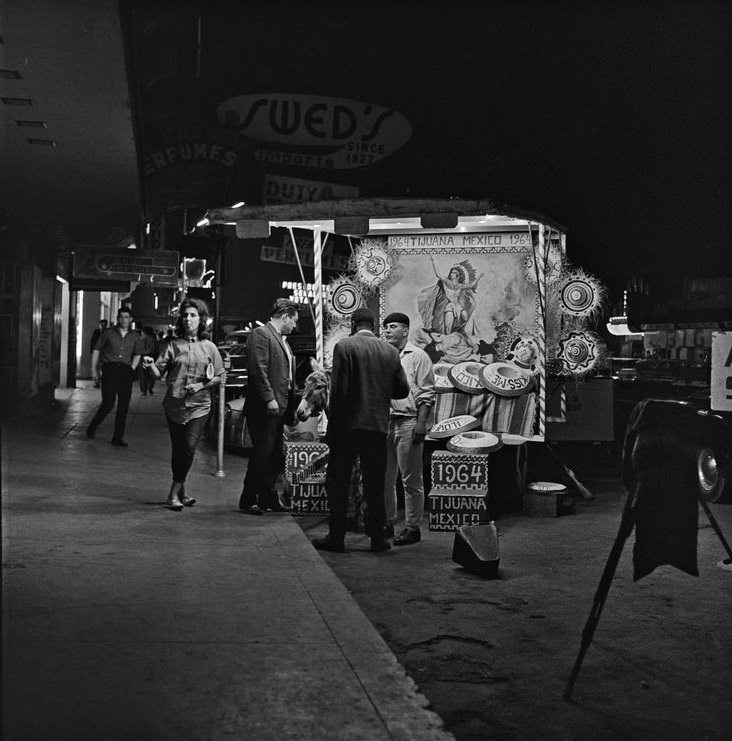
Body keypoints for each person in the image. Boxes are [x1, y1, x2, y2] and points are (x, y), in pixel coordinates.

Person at [313, 308, 409, 554]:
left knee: (339, 484)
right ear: (373, 325)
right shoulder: (390, 351)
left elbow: (340, 391)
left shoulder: (344, 347)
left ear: (353, 324)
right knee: (375, 485)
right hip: (377, 427)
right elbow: (402, 391)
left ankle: (337, 538)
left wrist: (332, 428)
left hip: (348, 428)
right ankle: (378, 539)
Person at [143, 298, 224, 511]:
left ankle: (172, 493)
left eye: (193, 315)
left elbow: (219, 377)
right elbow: (158, 374)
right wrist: (150, 365)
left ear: (201, 320)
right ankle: (183, 492)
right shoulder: (173, 345)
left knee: (188, 447)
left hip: (199, 407)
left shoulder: (210, 348)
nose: (188, 319)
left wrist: (200, 386)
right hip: (174, 406)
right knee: (179, 450)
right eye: (185, 315)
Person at [238, 298, 299, 515]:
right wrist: (269, 398)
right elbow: (258, 370)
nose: (295, 326)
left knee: (274, 456)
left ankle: (268, 497)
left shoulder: (282, 340)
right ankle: (248, 498)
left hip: (279, 408)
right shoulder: (261, 335)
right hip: (265, 408)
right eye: (294, 321)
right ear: (285, 317)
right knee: (262, 454)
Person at [382, 312, 436, 546]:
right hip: (385, 422)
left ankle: (412, 527)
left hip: (409, 421)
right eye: (385, 327)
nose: (387, 331)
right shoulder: (383, 355)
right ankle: (386, 522)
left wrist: (421, 424)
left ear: (405, 330)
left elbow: (427, 393)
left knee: (411, 479)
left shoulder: (418, 356)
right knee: (385, 478)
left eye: (392, 327)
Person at [86, 306, 142, 446]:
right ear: (117, 318)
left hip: (125, 371)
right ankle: (93, 426)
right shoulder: (108, 333)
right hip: (110, 369)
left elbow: (138, 353)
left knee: (124, 405)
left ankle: (117, 437)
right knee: (108, 402)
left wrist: (132, 368)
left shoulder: (135, 336)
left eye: (127, 317)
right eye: (121, 317)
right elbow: (97, 350)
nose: (124, 320)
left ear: (131, 319)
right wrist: (94, 370)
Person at [137, 326, 159, 395]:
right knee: (151, 374)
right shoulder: (153, 340)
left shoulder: (142, 339)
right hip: (152, 358)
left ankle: (144, 390)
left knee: (143, 375)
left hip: (143, 358)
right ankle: (150, 387)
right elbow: (157, 350)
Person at [89, 319, 108, 387]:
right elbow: (93, 341)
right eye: (101, 325)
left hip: (104, 353)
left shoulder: (107, 332)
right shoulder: (96, 332)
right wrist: (92, 350)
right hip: (97, 352)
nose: (102, 326)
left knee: (104, 367)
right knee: (97, 366)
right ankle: (97, 382)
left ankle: (103, 380)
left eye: (104, 325)